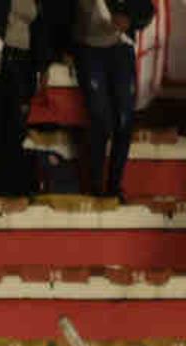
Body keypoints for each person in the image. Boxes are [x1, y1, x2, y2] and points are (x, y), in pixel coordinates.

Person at [0, 0, 59, 196]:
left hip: (23, 62)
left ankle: (10, 190)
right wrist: (1, 55)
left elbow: (40, 26)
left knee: (16, 128)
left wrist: (42, 65)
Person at [73, 0, 154, 201]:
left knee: (125, 118)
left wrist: (130, 20)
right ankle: (95, 186)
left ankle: (115, 186)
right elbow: (60, 13)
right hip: (89, 48)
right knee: (100, 118)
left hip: (120, 48)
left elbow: (147, 8)